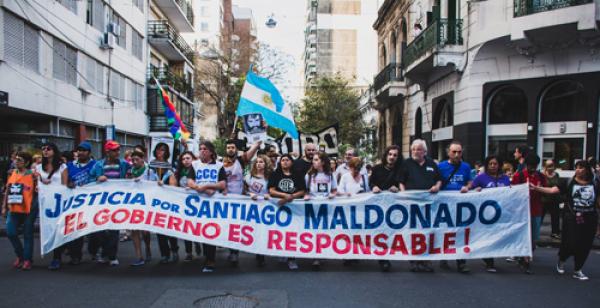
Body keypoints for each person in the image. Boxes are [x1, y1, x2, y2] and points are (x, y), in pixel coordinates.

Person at [511, 153, 559, 274]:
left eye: (535, 165)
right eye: (530, 165)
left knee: (533, 237)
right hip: (522, 211)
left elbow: (545, 190)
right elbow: (513, 192)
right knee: (523, 235)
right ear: (527, 165)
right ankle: (525, 259)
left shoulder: (541, 176)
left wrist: (538, 188)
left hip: (536, 210)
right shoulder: (519, 175)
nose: (532, 168)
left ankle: (526, 255)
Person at [399, 139, 442, 273]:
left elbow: (439, 179)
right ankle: (414, 260)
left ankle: (426, 260)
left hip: (429, 205)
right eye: (413, 149)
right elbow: (401, 181)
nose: (415, 152)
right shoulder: (406, 164)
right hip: (412, 204)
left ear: (424, 151)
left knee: (427, 232)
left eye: (418, 149)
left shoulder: (431, 164)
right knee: (414, 232)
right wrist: (403, 194)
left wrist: (436, 187)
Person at [90, 140, 131, 266]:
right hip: (101, 201)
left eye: (118, 150)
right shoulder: (98, 165)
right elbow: (90, 178)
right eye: (114, 150)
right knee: (100, 229)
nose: (117, 152)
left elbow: (133, 174)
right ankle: (104, 252)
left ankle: (111, 255)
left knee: (114, 229)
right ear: (107, 152)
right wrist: (97, 178)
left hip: (117, 201)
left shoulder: (124, 164)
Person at [556, 160, 599, 281]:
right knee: (570, 242)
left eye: (581, 168)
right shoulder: (569, 182)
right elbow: (553, 190)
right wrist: (535, 188)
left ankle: (578, 269)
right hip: (572, 217)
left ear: (587, 170)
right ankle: (562, 259)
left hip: (589, 218)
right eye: (576, 168)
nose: (578, 170)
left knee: (585, 244)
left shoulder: (595, 183)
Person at [188, 140, 227, 273]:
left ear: (211, 152)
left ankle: (210, 259)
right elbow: (190, 181)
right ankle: (206, 256)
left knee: (210, 230)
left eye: (205, 149)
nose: (202, 151)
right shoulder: (194, 165)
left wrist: (207, 186)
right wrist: (203, 189)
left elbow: (222, 184)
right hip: (198, 203)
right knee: (200, 229)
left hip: (213, 204)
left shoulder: (219, 166)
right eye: (200, 149)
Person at [470, 155, 511, 273]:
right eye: (490, 164)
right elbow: (471, 190)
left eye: (495, 164)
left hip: (501, 213)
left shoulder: (504, 179)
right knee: (488, 236)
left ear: (499, 165)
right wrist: (475, 191)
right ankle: (489, 261)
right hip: (485, 215)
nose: (493, 166)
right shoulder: (481, 178)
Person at [223, 139, 261, 265]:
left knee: (237, 227)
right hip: (225, 200)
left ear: (236, 150)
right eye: (228, 147)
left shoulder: (240, 160)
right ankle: (231, 250)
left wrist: (257, 143)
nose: (230, 149)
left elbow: (251, 152)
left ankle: (235, 253)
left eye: (233, 147)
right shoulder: (220, 163)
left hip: (240, 199)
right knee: (229, 228)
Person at [60, 141, 97, 268]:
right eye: (79, 150)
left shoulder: (95, 165)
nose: (81, 152)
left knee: (94, 229)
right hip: (75, 202)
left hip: (92, 202)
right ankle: (75, 255)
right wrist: (69, 182)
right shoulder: (69, 165)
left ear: (89, 153)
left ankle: (93, 250)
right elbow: (64, 180)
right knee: (75, 228)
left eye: (84, 150)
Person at [438, 140, 472, 273]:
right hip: (445, 205)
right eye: (454, 152)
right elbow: (437, 181)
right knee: (445, 232)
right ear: (448, 153)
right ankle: (444, 256)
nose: (457, 154)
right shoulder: (441, 167)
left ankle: (461, 261)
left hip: (460, 205)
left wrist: (467, 187)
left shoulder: (466, 167)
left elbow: (469, 181)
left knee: (460, 233)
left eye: (459, 152)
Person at [268, 153, 306, 270]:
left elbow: (303, 191)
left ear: (291, 162)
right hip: (280, 208)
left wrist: (292, 196)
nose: (285, 162)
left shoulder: (297, 175)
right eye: (283, 160)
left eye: (287, 160)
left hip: (294, 208)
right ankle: (282, 253)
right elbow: (271, 190)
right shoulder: (275, 174)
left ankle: (291, 258)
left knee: (292, 233)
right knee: (281, 232)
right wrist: (284, 195)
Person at [369, 145, 403, 272]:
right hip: (378, 206)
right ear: (386, 155)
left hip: (395, 207)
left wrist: (398, 189)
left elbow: (404, 184)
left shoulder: (400, 170)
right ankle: (383, 258)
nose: (392, 157)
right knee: (380, 232)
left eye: (395, 155)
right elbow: (371, 182)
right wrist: (374, 187)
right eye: (390, 154)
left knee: (391, 233)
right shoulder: (377, 168)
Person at [35, 143, 68, 270]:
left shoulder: (62, 167)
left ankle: (57, 257)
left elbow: (64, 185)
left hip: (58, 202)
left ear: (54, 151)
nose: (45, 151)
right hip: (45, 203)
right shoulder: (38, 167)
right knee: (47, 226)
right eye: (43, 149)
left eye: (48, 149)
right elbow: (37, 184)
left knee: (57, 228)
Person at [2, 152, 36, 270]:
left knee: (27, 233)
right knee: (11, 232)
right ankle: (20, 255)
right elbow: (7, 190)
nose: (16, 162)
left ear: (27, 162)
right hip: (14, 208)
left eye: (20, 160)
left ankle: (27, 259)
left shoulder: (33, 175)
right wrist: (4, 206)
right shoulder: (12, 173)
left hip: (28, 209)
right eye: (16, 159)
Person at [304, 152, 337, 271]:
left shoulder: (330, 175)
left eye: (316, 160)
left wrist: (332, 195)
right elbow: (305, 191)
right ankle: (315, 257)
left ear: (323, 162)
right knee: (314, 231)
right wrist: (306, 196)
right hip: (312, 207)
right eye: (313, 160)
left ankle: (321, 253)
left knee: (323, 231)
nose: (314, 161)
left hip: (326, 207)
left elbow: (334, 190)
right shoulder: (309, 175)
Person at [126, 151, 160, 266]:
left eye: (137, 159)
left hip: (147, 203)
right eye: (133, 160)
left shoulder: (149, 171)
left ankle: (147, 246)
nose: (134, 162)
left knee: (145, 231)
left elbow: (155, 185)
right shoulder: (130, 171)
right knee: (134, 230)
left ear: (142, 159)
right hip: (134, 203)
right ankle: (139, 256)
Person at [169, 151, 202, 262]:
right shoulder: (178, 173)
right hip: (183, 204)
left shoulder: (199, 170)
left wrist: (194, 187)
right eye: (183, 159)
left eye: (188, 158)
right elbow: (173, 187)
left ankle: (197, 242)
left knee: (196, 227)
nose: (186, 161)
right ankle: (189, 252)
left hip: (197, 203)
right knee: (186, 228)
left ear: (193, 159)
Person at [244, 154, 273, 267]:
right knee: (254, 230)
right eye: (257, 162)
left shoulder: (269, 177)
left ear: (266, 164)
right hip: (253, 207)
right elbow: (243, 189)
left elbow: (273, 189)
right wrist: (250, 193)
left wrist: (268, 194)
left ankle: (262, 253)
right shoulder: (249, 176)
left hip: (266, 207)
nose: (259, 164)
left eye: (261, 162)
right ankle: (258, 253)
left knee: (264, 230)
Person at [541, 159, 562, 239]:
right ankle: (535, 231)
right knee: (541, 216)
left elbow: (558, 184)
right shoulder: (542, 175)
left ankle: (555, 232)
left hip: (554, 199)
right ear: (545, 167)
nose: (550, 168)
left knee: (555, 216)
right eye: (548, 166)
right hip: (544, 199)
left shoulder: (556, 175)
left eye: (551, 166)